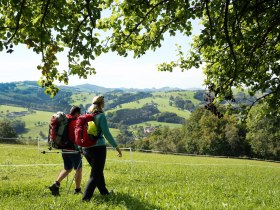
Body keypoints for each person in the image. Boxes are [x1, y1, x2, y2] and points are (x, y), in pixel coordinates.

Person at [82, 95, 122, 201]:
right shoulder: (101, 116)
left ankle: (104, 192)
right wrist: (116, 147)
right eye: (104, 101)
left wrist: (80, 147)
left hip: (86, 148)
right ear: (101, 103)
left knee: (98, 171)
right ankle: (85, 199)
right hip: (98, 148)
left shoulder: (87, 114)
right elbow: (107, 133)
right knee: (95, 175)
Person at [49, 106, 83, 196]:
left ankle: (55, 184)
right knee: (78, 169)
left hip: (64, 148)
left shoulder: (65, 120)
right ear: (76, 114)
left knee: (67, 168)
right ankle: (77, 190)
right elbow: (77, 137)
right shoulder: (76, 122)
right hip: (73, 150)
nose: (80, 115)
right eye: (80, 114)